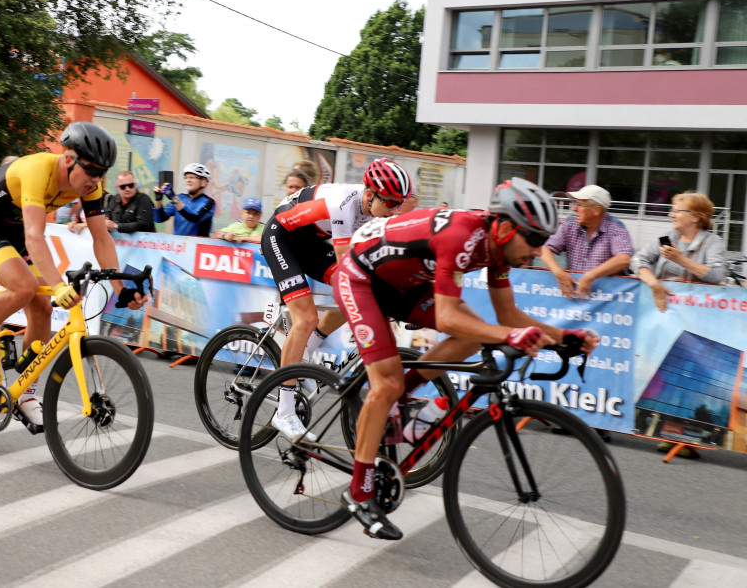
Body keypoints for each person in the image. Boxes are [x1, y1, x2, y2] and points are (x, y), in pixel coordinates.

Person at [332, 178, 600, 540]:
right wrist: (510, 336)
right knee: (387, 381)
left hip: (405, 283)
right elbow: (447, 318)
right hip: (361, 278)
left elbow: (508, 316)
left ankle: (401, 397)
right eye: (534, 240)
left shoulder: (498, 249)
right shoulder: (463, 236)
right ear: (505, 228)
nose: (539, 252)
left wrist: (563, 338)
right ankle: (359, 491)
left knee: (470, 339)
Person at [0, 121, 146, 426]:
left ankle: (26, 393)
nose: (97, 179)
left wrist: (121, 288)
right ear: (69, 159)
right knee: (24, 286)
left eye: (103, 173)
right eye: (93, 170)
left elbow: (101, 238)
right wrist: (58, 286)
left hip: (14, 229)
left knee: (42, 308)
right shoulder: (37, 170)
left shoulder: (91, 186)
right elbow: (35, 237)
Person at [262, 157, 410, 440]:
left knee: (363, 291)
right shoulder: (345, 202)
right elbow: (348, 270)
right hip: (281, 238)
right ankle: (284, 411)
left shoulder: (374, 211)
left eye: (398, 204)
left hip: (310, 242)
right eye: (390, 203)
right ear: (370, 194)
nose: (394, 211)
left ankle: (304, 352)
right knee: (307, 318)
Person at [632, 192, 728, 312]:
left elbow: (717, 275)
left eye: (677, 211)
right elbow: (638, 259)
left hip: (696, 312)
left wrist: (680, 259)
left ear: (695, 217)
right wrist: (653, 283)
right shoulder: (667, 237)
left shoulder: (713, 242)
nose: (671, 215)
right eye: (672, 211)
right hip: (662, 308)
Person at [539, 184, 633, 299]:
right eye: (574, 203)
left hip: (607, 301)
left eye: (579, 204)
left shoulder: (615, 227)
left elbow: (624, 259)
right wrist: (558, 273)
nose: (574, 208)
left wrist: (590, 276)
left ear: (596, 210)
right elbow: (545, 250)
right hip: (574, 296)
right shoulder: (570, 224)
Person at [152, 163, 215, 236]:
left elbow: (194, 217)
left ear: (203, 182)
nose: (188, 180)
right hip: (179, 245)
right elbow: (159, 219)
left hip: (197, 245)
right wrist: (158, 199)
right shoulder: (181, 197)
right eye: (186, 177)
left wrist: (173, 198)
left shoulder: (209, 202)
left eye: (192, 177)